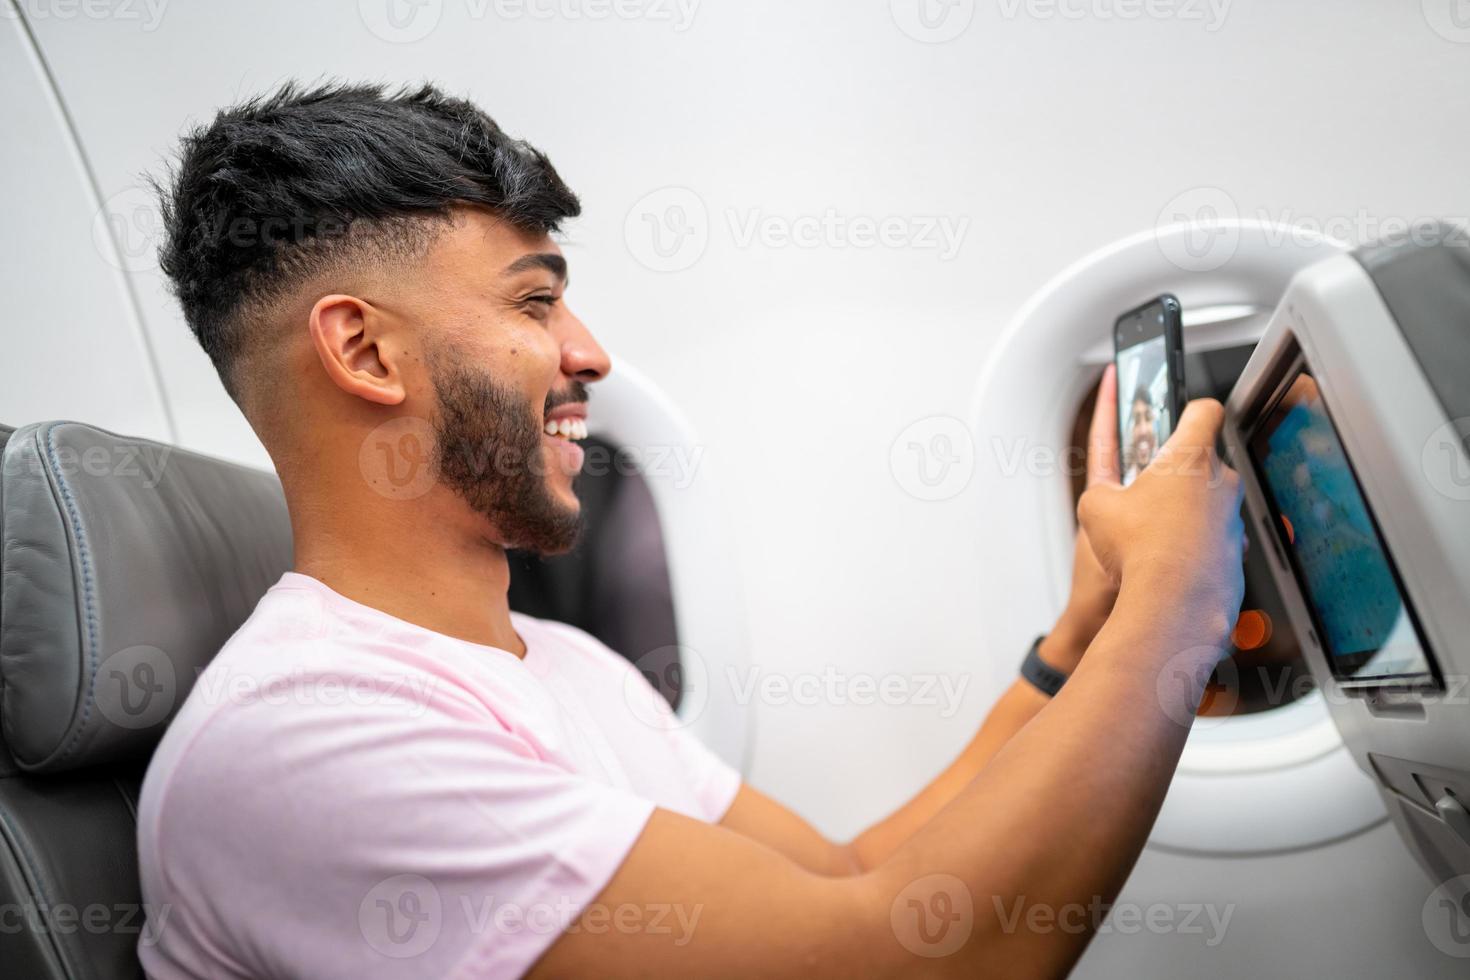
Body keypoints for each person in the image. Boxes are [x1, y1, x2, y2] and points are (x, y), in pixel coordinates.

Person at [136, 81, 1245, 979]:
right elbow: (897, 963)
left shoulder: (566, 665)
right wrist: (1176, 606)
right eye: (533, 302)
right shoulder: (305, 744)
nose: (590, 352)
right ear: (366, 352)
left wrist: (1082, 635)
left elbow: (852, 877)